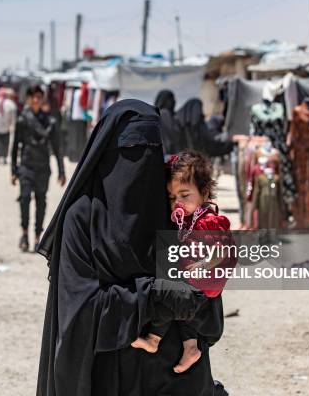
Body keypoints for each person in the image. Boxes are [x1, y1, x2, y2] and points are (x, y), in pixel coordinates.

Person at [36, 99, 227, 396]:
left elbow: (205, 296)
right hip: (108, 377)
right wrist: (153, 295)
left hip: (174, 374)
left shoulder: (174, 213)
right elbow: (79, 311)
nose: (138, 165)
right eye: (129, 153)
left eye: (149, 154)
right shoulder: (81, 219)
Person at [131, 150, 236, 374]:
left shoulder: (208, 221)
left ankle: (153, 338)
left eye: (184, 195)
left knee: (166, 300)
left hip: (201, 285)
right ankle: (190, 349)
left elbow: (225, 251)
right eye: (172, 197)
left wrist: (204, 264)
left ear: (204, 192)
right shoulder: (188, 219)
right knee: (183, 316)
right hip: (192, 283)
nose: (177, 202)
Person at [11, 85, 66, 252]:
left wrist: (61, 171)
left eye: (38, 97)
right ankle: (24, 233)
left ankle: (37, 237)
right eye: (32, 97)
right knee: (25, 199)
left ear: (42, 99)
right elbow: (15, 146)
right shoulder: (22, 120)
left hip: (43, 168)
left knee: (41, 202)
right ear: (28, 99)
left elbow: (57, 148)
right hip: (26, 167)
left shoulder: (50, 122)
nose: (35, 100)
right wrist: (13, 170)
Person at [154, 89, 180, 155]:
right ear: (164, 100)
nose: (174, 101)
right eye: (171, 99)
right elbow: (173, 134)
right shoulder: (164, 113)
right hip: (168, 151)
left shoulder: (159, 113)